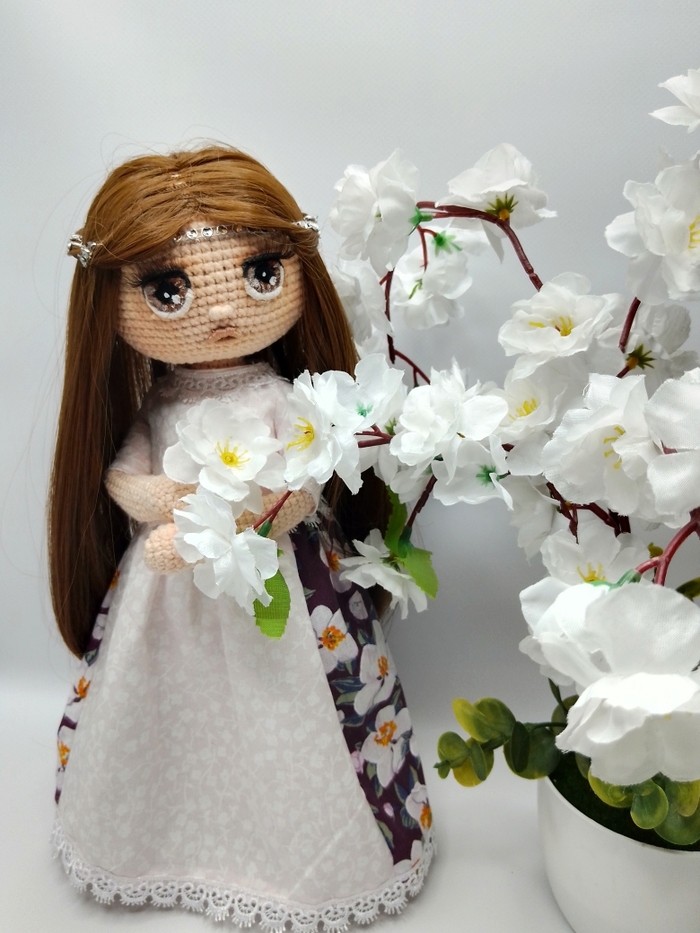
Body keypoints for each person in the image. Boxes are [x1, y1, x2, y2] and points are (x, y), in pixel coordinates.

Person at [49, 146, 433, 930]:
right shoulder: (158, 406)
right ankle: (160, 832)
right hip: (167, 605)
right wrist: (175, 503)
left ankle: (300, 847)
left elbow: (304, 483)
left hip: (273, 583)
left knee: (290, 719)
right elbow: (124, 476)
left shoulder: (283, 398)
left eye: (260, 273)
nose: (221, 312)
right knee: (164, 715)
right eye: (168, 289)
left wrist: (255, 516)